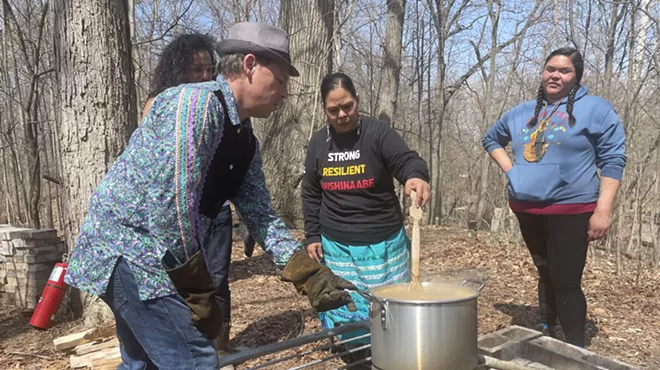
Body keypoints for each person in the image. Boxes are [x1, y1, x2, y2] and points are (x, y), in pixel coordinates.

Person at [64, 22, 356, 370]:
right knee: (196, 361)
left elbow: (260, 214)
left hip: (157, 257)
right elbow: (169, 204)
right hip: (131, 252)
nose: (285, 93)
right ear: (249, 65)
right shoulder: (195, 104)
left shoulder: (245, 139)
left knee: (142, 364)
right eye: (280, 80)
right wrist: (195, 287)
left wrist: (306, 272)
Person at [482, 47, 626, 347]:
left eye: (564, 71)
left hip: (571, 209)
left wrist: (603, 209)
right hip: (527, 208)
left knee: (567, 283)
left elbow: (612, 159)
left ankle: (575, 350)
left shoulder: (596, 109)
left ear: (576, 76)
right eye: (550, 69)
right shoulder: (521, 111)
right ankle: (547, 337)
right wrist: (513, 172)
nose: (555, 75)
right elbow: (491, 138)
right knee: (545, 272)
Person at [301, 72, 430, 357]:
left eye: (348, 106)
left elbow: (408, 160)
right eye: (333, 110)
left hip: (383, 245)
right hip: (338, 247)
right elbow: (310, 193)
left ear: (357, 100)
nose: (342, 115)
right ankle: (357, 355)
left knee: (390, 307)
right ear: (324, 109)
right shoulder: (318, 143)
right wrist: (312, 235)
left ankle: (394, 353)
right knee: (348, 308)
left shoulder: (378, 133)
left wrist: (415, 177)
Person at [141, 33, 216, 118]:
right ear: (180, 71)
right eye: (197, 70)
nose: (205, 76)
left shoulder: (216, 104)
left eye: (209, 69)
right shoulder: (156, 105)